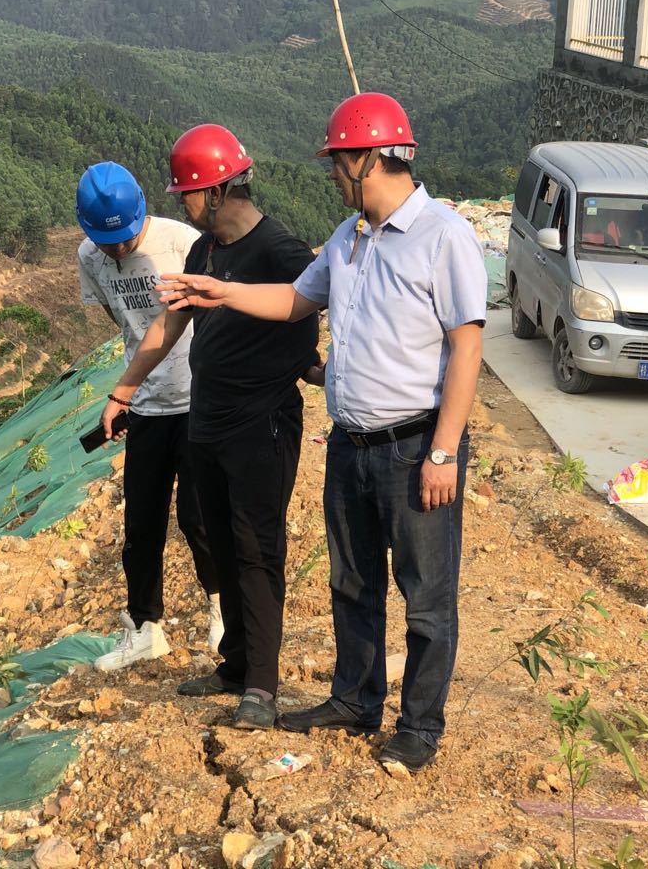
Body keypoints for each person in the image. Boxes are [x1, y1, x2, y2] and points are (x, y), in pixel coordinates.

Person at [157, 93, 486, 773]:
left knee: (425, 598)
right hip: (350, 444)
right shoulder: (349, 238)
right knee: (353, 584)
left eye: (338, 162)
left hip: (415, 446)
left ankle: (419, 727)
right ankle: (355, 700)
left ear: (369, 159)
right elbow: (294, 299)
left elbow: (466, 347)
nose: (333, 174)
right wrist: (221, 291)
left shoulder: (442, 236)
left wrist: (444, 450)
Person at [99, 126, 319, 730]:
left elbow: (320, 301)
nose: (183, 204)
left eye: (188, 194)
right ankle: (235, 665)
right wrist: (124, 389)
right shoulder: (203, 252)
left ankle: (262, 687)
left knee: (257, 550)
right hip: (208, 422)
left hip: (261, 424)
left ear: (218, 191)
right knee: (221, 543)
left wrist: (314, 364)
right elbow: (169, 325)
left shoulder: (279, 250)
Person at [75, 162, 222, 673]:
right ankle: (145, 628)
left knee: (200, 517)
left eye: (125, 239)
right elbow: (125, 324)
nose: (118, 250)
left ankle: (222, 610)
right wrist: (129, 393)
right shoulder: (89, 257)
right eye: (107, 242)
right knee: (141, 523)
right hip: (147, 406)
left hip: (199, 399)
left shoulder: (182, 243)